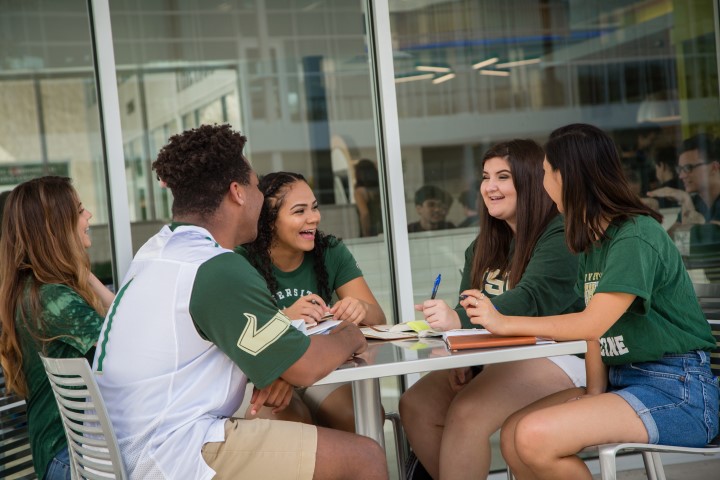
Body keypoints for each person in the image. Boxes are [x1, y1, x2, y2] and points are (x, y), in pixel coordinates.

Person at [92, 125, 388, 480]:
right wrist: (351, 335)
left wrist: (279, 365)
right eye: (256, 186)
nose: (260, 198)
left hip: (130, 445)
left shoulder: (158, 252)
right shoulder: (216, 267)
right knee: (365, 457)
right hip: (172, 453)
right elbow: (306, 367)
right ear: (237, 193)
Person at [461, 123, 719, 480]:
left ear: (566, 177)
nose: (540, 182)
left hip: (678, 391)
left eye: (545, 172)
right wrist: (595, 391)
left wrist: (502, 321)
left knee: (534, 436)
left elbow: (591, 323)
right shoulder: (590, 239)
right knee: (512, 435)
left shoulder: (636, 235)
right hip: (621, 381)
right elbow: (596, 336)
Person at [400, 139, 586, 480]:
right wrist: (466, 356)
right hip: (501, 355)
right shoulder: (486, 241)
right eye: (486, 177)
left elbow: (531, 299)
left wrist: (458, 318)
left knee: (468, 412)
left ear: (530, 181)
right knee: (416, 404)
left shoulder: (560, 233)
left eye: (502, 177)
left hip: (564, 354)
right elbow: (467, 301)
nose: (490, 187)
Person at [239, 171, 386, 432]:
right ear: (269, 220)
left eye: (315, 207)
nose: (314, 218)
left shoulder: (330, 251)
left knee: (357, 416)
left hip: (323, 368)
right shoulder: (241, 261)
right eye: (299, 211)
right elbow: (236, 341)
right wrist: (285, 318)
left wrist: (359, 309)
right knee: (294, 425)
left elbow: (378, 319)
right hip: (262, 376)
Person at [0, 176, 114, 480]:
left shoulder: (36, 290)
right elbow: (125, 341)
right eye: (79, 211)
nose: (88, 215)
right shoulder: (52, 299)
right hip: (71, 458)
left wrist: (83, 272)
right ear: (55, 227)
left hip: (66, 455)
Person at [647, 133, 720, 229]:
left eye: (688, 168)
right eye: (680, 169)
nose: (681, 176)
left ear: (714, 167)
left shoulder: (689, 201)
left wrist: (685, 199)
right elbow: (670, 239)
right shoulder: (696, 201)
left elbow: (712, 237)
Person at [353, 158, 383, 237]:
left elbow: (365, 214)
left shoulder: (360, 192)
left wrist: (366, 234)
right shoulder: (380, 189)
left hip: (371, 231)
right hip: (383, 228)